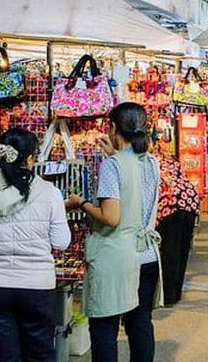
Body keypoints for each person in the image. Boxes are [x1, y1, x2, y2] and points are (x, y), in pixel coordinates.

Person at [0, 128, 71, 362]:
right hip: (37, 286)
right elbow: (62, 242)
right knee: (40, 354)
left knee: (3, 357)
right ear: (30, 158)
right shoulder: (49, 192)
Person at [66, 102, 162, 362]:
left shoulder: (113, 166)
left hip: (116, 257)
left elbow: (111, 217)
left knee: (104, 327)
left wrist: (81, 203)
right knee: (140, 323)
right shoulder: (151, 162)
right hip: (147, 255)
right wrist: (114, 156)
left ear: (113, 128)